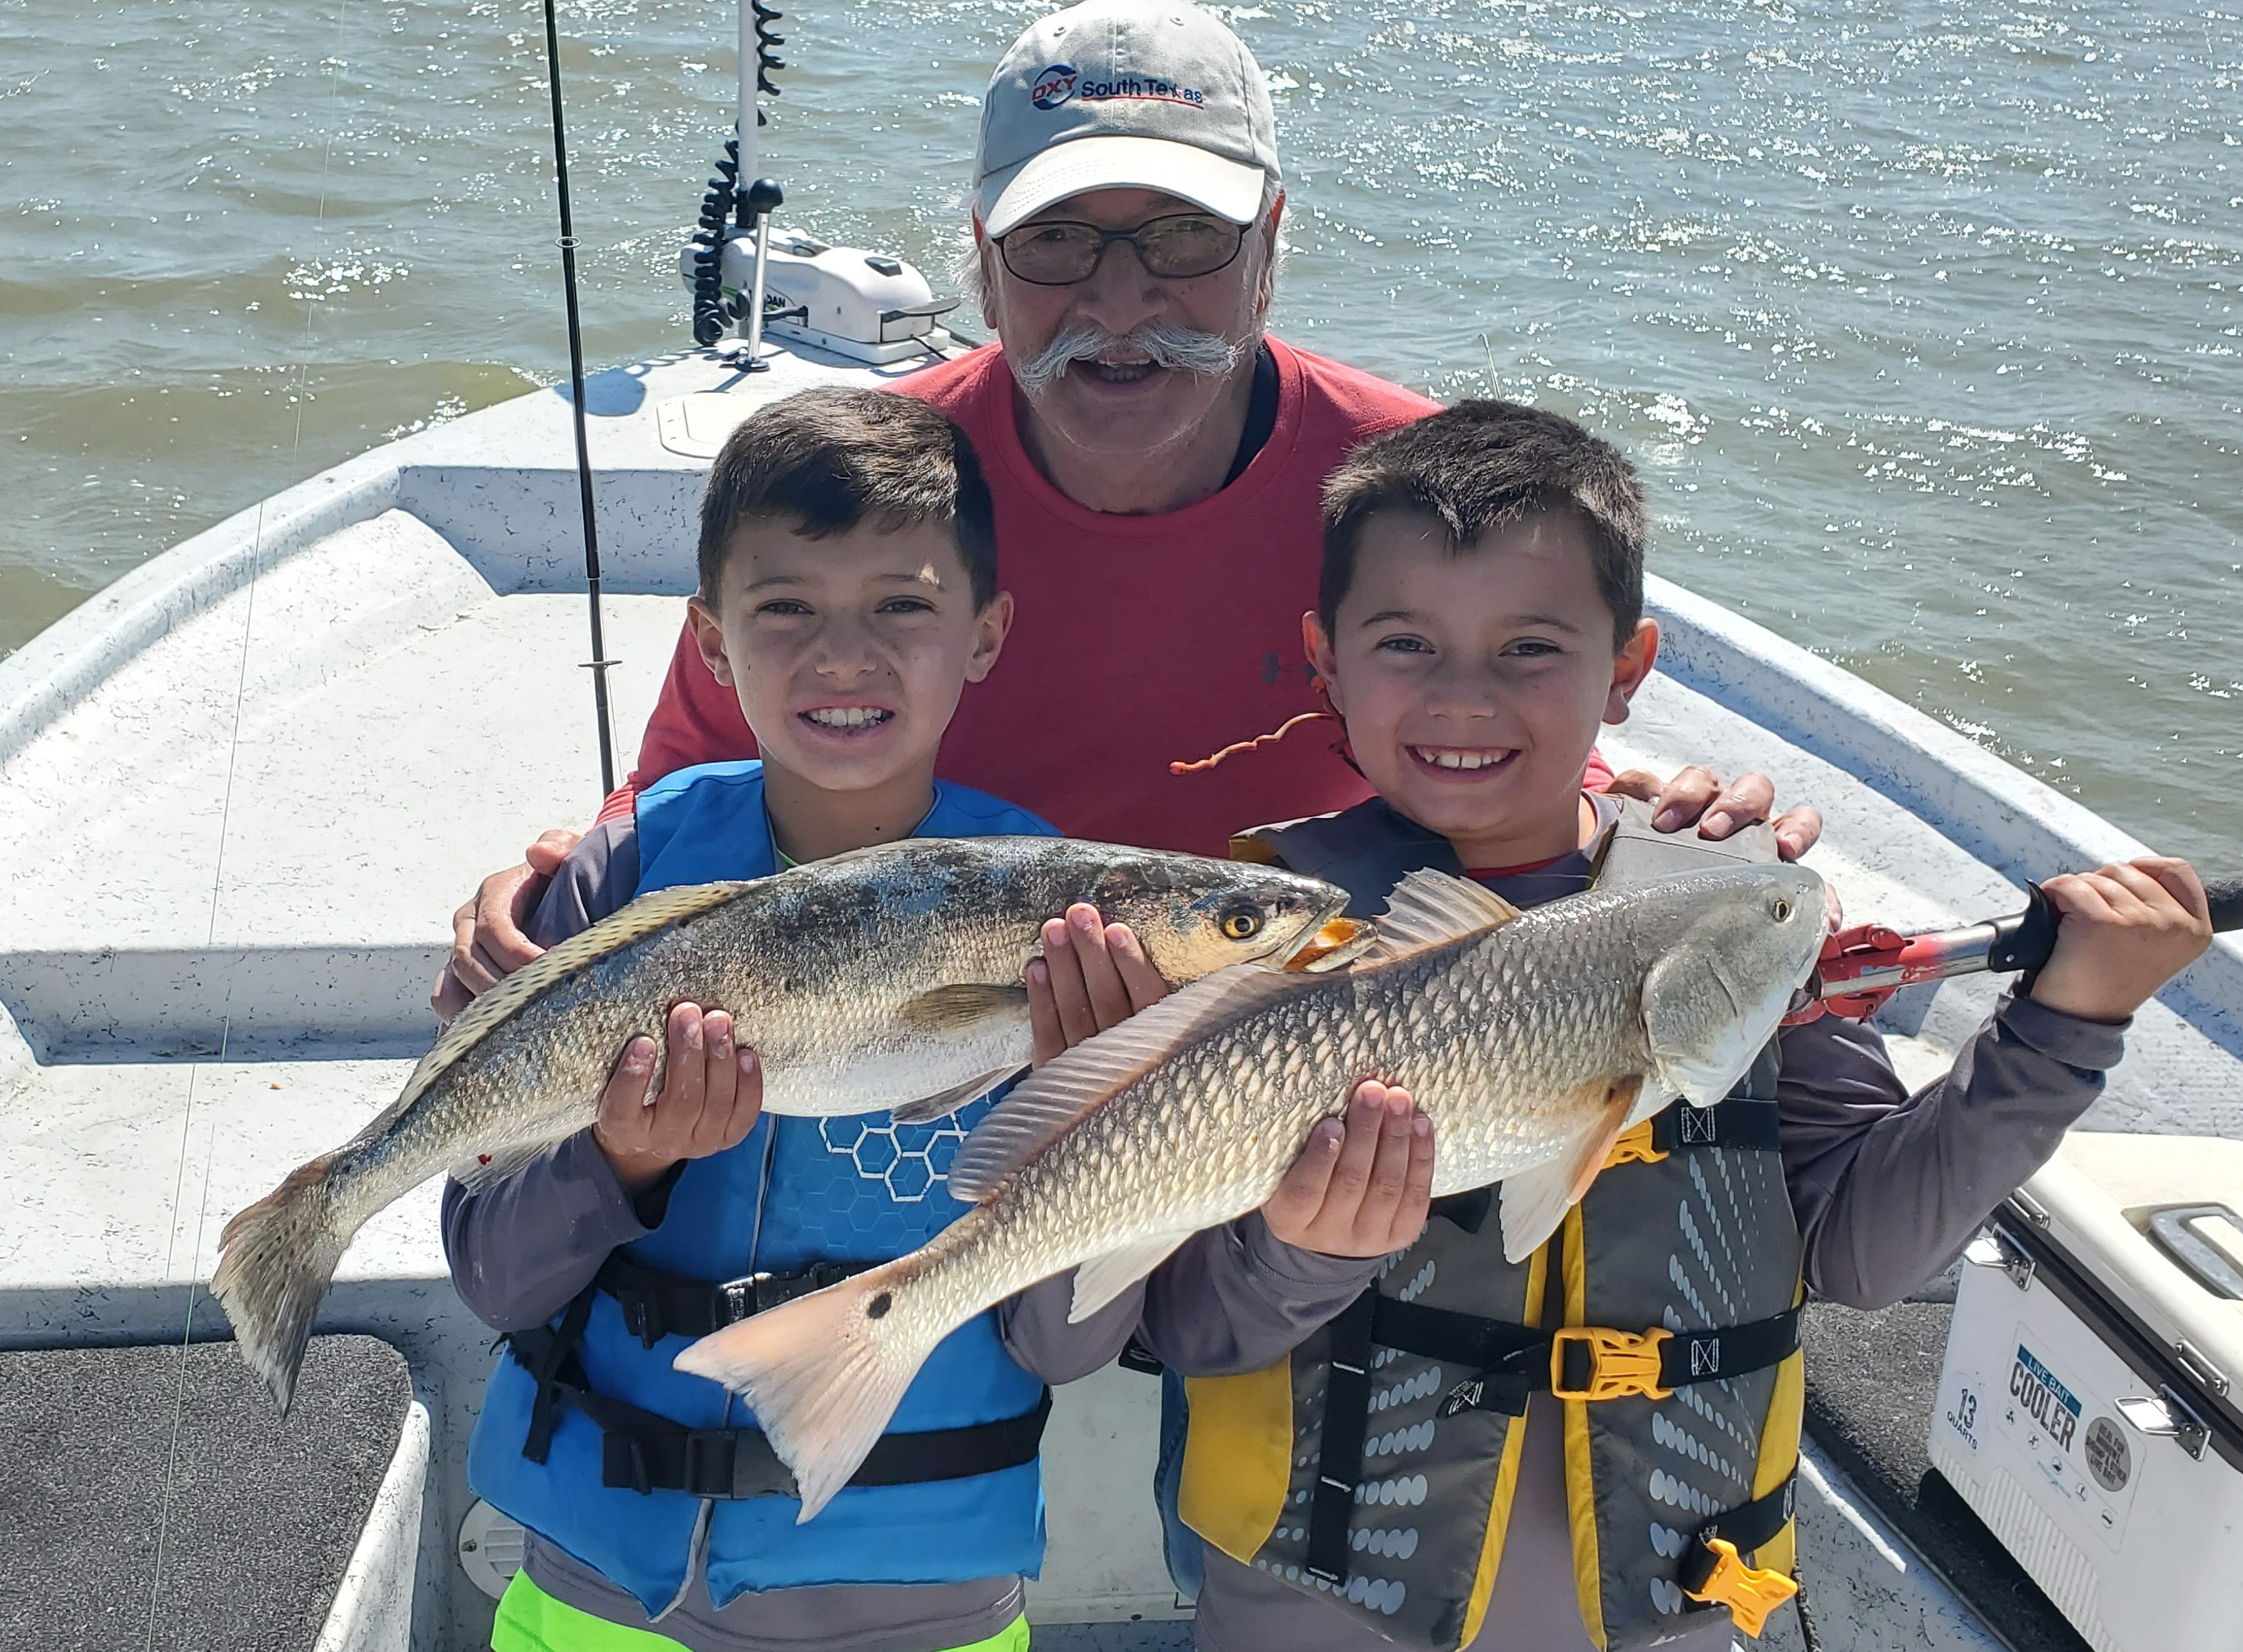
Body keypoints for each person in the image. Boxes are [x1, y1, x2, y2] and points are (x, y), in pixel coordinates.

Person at [432, 0, 1818, 1024]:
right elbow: (678, 802)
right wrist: (551, 906)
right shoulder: (865, 501)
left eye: (1183, 236)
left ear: (1271, 246)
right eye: (1055, 241)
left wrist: (1646, 821)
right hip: (933, 1039)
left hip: (1294, 1037)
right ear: (981, 262)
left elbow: (1507, 745)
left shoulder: (1413, 490)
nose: (1118, 299)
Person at [1121, 400, 2214, 1652]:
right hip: (1312, 1603)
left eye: (1531, 647)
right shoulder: (1269, 932)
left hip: (1670, 1603)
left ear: (1629, 668)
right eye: (1407, 642)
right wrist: (1302, 1250)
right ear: (1326, 660)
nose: (1465, 696)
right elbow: (1183, 1325)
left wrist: (2063, 1029)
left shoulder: (1732, 912)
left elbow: (1865, 1252)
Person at [444, 386, 1436, 1652]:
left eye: (902, 606)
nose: (842, 656)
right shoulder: (624, 875)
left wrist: (1093, 1111)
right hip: (596, 1585)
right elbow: (493, 1274)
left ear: (986, 633)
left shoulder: (1079, 941)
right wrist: (621, 1158)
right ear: (710, 639)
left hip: (930, 1599)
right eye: (785, 607)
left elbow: (1062, 1343)